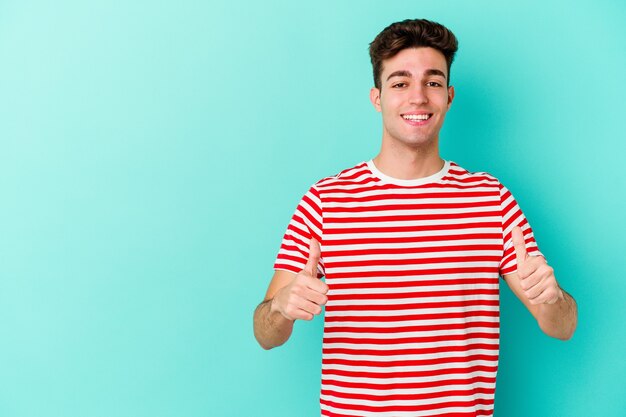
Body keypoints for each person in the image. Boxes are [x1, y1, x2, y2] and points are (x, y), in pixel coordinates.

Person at [253, 18, 578, 417]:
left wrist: (553, 296)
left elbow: (561, 327)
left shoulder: (491, 199)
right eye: (400, 82)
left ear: (449, 95)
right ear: (377, 97)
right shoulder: (325, 200)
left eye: (433, 82)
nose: (418, 97)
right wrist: (282, 306)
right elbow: (266, 335)